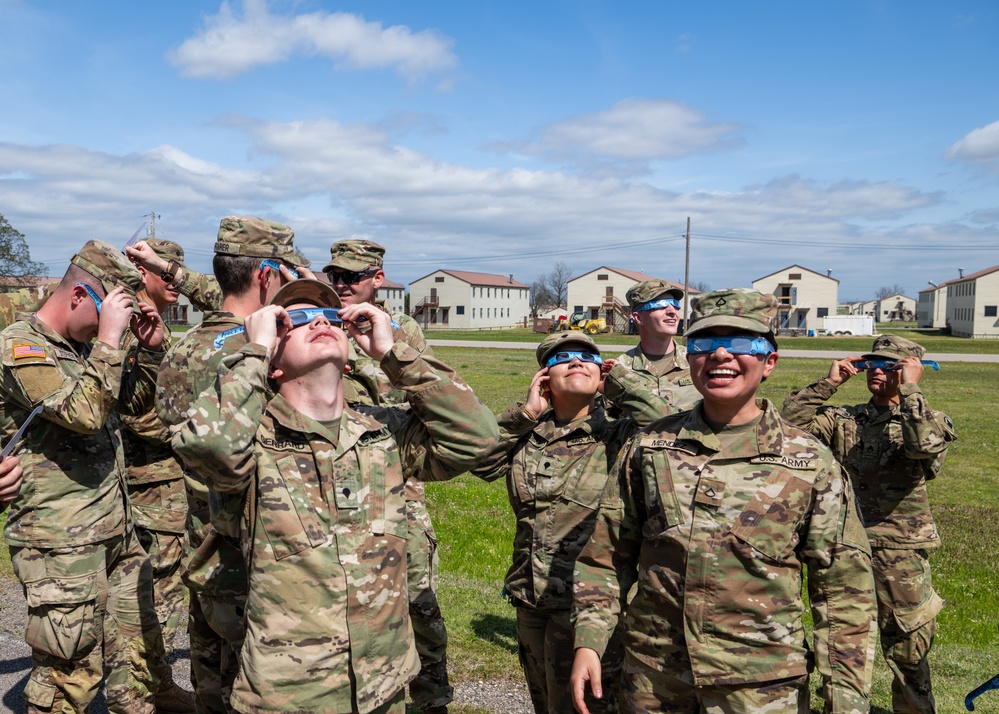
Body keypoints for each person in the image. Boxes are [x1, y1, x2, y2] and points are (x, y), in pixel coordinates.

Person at [171, 278, 500, 714]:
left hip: (384, 684)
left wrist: (392, 354)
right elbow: (208, 448)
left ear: (348, 358)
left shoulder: (383, 431)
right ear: (275, 361)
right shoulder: (252, 439)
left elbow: (477, 438)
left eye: (331, 319)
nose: (321, 323)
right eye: (299, 319)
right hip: (293, 694)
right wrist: (252, 352)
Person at [571, 288, 878, 714]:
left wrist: (845, 697)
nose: (719, 355)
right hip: (655, 681)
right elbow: (606, 556)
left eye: (739, 342)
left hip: (761, 688)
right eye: (703, 343)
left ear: (769, 362)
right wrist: (589, 640)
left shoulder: (808, 461)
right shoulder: (651, 446)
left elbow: (845, 591)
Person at [0, 240, 173, 713]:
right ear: (79, 295)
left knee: (132, 648)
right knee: (68, 673)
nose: (107, 327)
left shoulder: (82, 350)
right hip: (61, 537)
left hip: (116, 525)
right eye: (105, 313)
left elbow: (131, 405)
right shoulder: (21, 345)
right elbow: (84, 413)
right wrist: (111, 342)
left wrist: (151, 352)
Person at [156, 216, 309, 714]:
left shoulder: (182, 351)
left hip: (201, 544)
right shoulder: (271, 349)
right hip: (263, 557)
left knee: (211, 684)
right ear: (267, 275)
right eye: (289, 272)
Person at [472, 331, 669, 714]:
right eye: (562, 357)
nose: (576, 360)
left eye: (587, 356)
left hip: (591, 604)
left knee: (586, 706)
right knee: (545, 702)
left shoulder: (620, 432)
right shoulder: (531, 432)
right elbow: (480, 463)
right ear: (544, 377)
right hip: (531, 597)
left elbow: (667, 428)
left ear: (602, 374)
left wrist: (622, 387)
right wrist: (525, 414)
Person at [781, 335, 955, 714]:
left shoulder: (928, 419)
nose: (876, 370)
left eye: (888, 365)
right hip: (843, 543)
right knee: (840, 643)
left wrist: (910, 388)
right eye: (871, 363)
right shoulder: (846, 418)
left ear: (908, 369)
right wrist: (830, 383)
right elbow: (788, 426)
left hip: (898, 551)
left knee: (908, 649)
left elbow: (924, 446)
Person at [323, 239, 451, 713]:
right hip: (335, 476)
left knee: (417, 597)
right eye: (333, 275)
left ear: (377, 278)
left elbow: (429, 399)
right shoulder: (316, 322)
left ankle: (432, 696)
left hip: (396, 474)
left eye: (351, 277)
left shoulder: (404, 329)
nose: (340, 284)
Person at [121, 238, 221, 698]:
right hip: (148, 484)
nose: (174, 279)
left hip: (168, 483)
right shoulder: (128, 328)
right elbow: (135, 414)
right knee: (154, 594)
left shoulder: (153, 323)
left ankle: (157, 689)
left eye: (178, 270)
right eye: (166, 272)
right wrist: (198, 430)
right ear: (143, 273)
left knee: (169, 589)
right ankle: (143, 695)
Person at [615, 279, 699, 411]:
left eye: (675, 304)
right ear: (638, 317)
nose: (672, 311)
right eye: (661, 304)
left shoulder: (697, 362)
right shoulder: (619, 370)